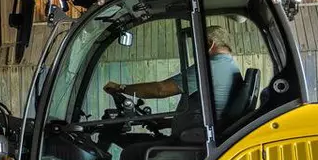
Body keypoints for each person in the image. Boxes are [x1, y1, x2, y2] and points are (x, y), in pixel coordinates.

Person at [103, 26, 240, 114]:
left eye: (198, 43)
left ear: (210, 44)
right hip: (194, 132)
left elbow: (161, 90)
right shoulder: (228, 66)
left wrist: (121, 87)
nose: (196, 49)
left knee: (134, 149)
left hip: (193, 138)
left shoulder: (210, 68)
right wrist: (166, 123)